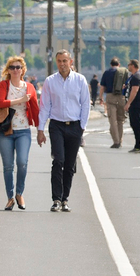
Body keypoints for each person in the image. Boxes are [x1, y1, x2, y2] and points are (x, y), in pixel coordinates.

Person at [37, 50, 90, 212]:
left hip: (74, 126)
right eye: (59, 61)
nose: (62, 64)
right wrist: (41, 129)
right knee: (58, 160)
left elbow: (86, 104)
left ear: (71, 61)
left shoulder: (80, 80)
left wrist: (82, 127)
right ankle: (56, 199)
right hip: (57, 125)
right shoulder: (50, 81)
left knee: (69, 165)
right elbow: (45, 106)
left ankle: (65, 198)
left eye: (65, 61)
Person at [0, 56, 39, 211]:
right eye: (12, 67)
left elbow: (35, 107)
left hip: (23, 130)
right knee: (8, 166)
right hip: (5, 130)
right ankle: (10, 198)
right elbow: (0, 102)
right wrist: (19, 100)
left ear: (23, 70)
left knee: (22, 162)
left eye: (18, 67)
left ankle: (19, 193)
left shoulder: (29, 87)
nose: (15, 70)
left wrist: (40, 130)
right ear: (8, 70)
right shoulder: (3, 85)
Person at [100, 57, 129, 148]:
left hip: (110, 96)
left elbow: (102, 87)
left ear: (111, 64)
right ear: (118, 65)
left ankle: (116, 141)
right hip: (121, 97)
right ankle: (120, 140)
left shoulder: (107, 73)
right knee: (120, 120)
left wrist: (101, 98)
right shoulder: (123, 72)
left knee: (113, 120)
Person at [124, 59, 140, 153]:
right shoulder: (136, 76)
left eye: (129, 64)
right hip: (136, 104)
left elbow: (134, 91)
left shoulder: (136, 77)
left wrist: (128, 103)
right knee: (134, 124)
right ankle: (137, 145)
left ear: (133, 65)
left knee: (138, 124)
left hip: (136, 104)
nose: (128, 66)